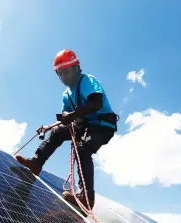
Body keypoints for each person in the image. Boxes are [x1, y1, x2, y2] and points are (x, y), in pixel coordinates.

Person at [15, 49, 118, 211]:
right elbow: (66, 120)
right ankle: (36, 163)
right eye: (60, 73)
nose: (63, 77)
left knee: (82, 149)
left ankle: (87, 198)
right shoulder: (66, 95)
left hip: (102, 126)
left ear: (77, 68)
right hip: (83, 125)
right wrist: (49, 126)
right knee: (57, 132)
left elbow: (96, 103)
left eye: (67, 71)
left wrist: (73, 115)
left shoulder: (88, 81)